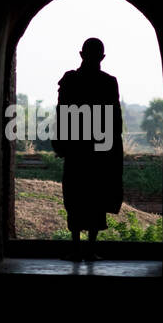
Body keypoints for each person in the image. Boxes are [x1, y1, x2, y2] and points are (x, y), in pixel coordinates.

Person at [51, 37, 123, 261]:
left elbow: (62, 114)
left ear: (81, 54)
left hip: (76, 148)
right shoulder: (109, 82)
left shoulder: (71, 80)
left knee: (75, 196)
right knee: (95, 197)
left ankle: (76, 248)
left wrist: (60, 143)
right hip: (99, 150)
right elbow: (114, 119)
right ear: (102, 57)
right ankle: (90, 249)